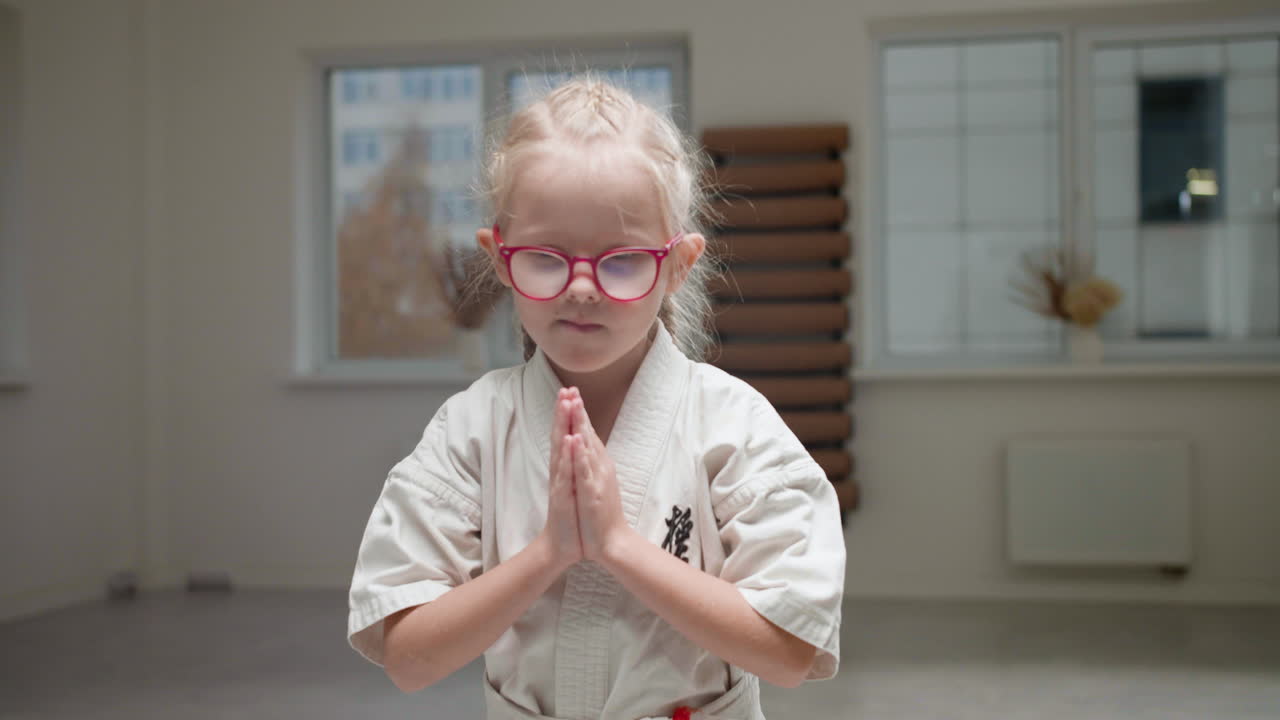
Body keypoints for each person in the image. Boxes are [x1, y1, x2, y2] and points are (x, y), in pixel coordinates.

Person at [347, 76, 846, 720]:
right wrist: (549, 552)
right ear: (499, 260)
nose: (581, 288)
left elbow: (788, 654)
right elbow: (409, 659)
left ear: (677, 265)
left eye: (622, 260)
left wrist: (617, 544)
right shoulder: (472, 430)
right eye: (546, 257)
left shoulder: (732, 424)